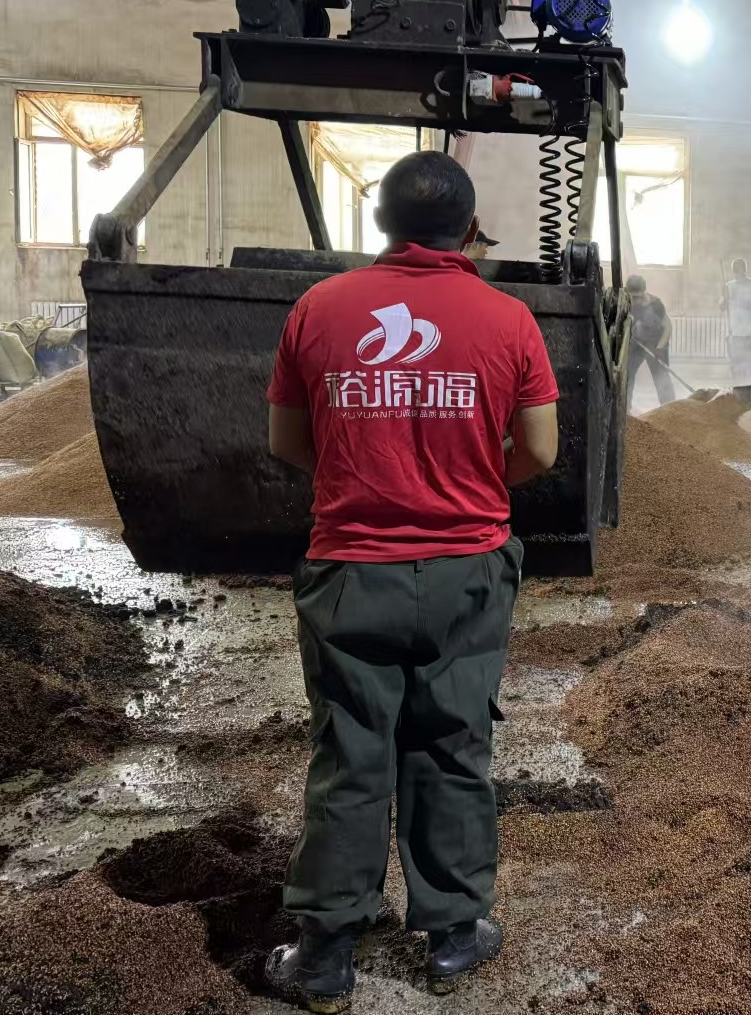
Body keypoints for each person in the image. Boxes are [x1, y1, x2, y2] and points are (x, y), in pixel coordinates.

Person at [263, 150, 561, 1010]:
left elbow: (286, 441)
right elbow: (538, 450)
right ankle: (455, 935)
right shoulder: (508, 319)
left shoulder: (319, 309)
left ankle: (325, 957)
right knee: (453, 742)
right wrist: (464, 486)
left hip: (351, 568)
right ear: (469, 231)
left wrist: (369, 479)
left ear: (382, 226)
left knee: (351, 750)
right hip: (468, 569)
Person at [626, 274, 677, 408]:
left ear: (644, 292)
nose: (636, 301)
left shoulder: (656, 305)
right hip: (635, 344)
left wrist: (659, 348)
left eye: (639, 297)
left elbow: (667, 327)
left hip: (656, 343)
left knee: (662, 377)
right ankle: (624, 409)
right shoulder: (624, 302)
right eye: (633, 297)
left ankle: (670, 409)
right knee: (627, 375)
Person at [721, 258, 751, 394]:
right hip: (734, 333)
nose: (737, 274)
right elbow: (722, 307)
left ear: (744, 270)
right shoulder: (729, 286)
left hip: (749, 334)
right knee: (735, 367)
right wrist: (725, 297)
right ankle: (738, 396)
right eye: (735, 271)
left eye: (739, 270)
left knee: (750, 367)